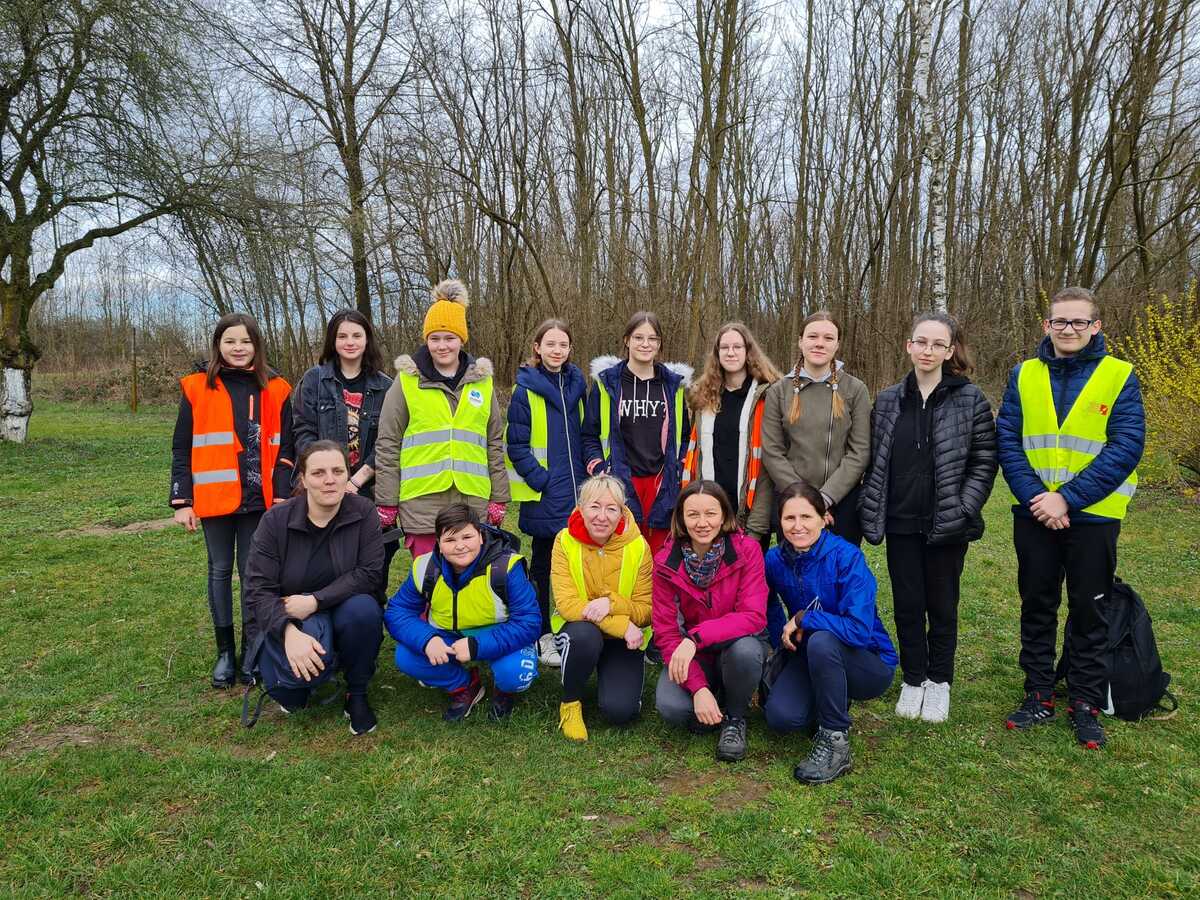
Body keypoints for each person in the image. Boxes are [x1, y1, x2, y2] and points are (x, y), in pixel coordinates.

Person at [997, 286, 1144, 750]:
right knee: (1036, 605)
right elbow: (1008, 440)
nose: (1069, 329)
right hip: (1035, 514)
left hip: (1094, 515)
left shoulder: (1119, 375)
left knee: (1090, 609)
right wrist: (1038, 498)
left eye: (1079, 321)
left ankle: (1084, 700)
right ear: (1047, 325)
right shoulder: (1024, 374)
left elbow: (1126, 445)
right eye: (1060, 321)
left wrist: (1068, 499)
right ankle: (1038, 692)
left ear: (1095, 326)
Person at [858, 312, 997, 723]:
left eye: (938, 344)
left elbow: (984, 460)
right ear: (909, 346)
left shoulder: (970, 399)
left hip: (947, 524)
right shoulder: (888, 399)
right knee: (907, 603)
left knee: (942, 605)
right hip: (900, 520)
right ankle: (913, 678)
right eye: (921, 342)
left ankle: (939, 682)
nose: (928, 350)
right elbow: (874, 459)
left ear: (950, 351)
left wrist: (965, 506)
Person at [170, 313, 293, 688]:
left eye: (245, 341)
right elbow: (181, 447)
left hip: (260, 500)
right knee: (220, 570)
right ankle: (225, 653)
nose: (238, 348)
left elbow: (286, 450)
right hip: (216, 499)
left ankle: (252, 652)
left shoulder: (277, 388)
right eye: (230, 341)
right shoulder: (196, 387)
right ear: (218, 345)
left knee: (252, 575)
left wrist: (283, 494)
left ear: (257, 345)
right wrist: (182, 500)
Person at [242, 441, 384, 735]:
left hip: (341, 607)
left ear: (347, 475)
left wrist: (316, 601)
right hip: (292, 614)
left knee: (364, 610)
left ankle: (356, 692)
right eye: (318, 473)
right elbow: (257, 591)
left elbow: (369, 574)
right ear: (303, 479)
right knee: (291, 697)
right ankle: (305, 678)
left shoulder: (364, 511)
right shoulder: (275, 521)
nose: (330, 480)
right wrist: (288, 632)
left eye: (338, 471)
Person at [763, 481, 897, 784]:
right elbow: (768, 603)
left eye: (806, 517)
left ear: (824, 519)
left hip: (867, 660)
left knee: (823, 641)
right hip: (810, 651)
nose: (798, 526)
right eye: (789, 518)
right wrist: (780, 641)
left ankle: (836, 741)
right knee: (782, 718)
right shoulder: (774, 559)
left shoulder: (847, 557)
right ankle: (830, 695)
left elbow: (859, 630)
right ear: (780, 522)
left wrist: (804, 618)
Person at [374, 279, 510, 560]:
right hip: (422, 504)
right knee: (428, 579)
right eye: (435, 338)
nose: (442, 346)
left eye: (449, 338)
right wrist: (387, 500)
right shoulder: (406, 382)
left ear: (462, 339)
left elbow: (494, 443)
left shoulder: (482, 383)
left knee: (471, 580)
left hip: (471, 502)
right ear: (426, 340)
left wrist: (499, 496)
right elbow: (388, 443)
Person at [385, 503, 540, 722]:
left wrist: (477, 646)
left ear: (481, 536)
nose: (460, 546)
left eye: (467, 537)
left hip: (497, 632)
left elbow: (529, 622)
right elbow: (398, 611)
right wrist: (427, 640)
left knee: (515, 673)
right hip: (447, 633)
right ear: (438, 543)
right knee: (406, 657)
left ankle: (504, 690)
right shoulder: (425, 567)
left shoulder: (507, 566)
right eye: (450, 540)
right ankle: (464, 686)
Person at [652, 481, 768, 762]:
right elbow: (666, 632)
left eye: (711, 513)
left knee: (746, 652)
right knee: (672, 707)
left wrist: (695, 638)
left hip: (734, 647)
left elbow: (753, 616)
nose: (702, 523)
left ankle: (735, 718)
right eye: (692, 514)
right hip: (695, 655)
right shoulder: (665, 562)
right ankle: (710, 695)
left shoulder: (748, 550)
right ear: (681, 518)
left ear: (724, 515)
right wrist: (698, 689)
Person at [292, 309, 397, 597]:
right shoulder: (314, 381)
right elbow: (302, 431)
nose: (350, 342)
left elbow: (389, 441)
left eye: (356, 335)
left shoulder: (386, 387)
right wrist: (326, 474)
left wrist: (356, 480)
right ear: (332, 340)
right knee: (325, 559)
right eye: (342, 336)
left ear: (367, 339)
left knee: (373, 561)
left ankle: (370, 613)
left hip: (369, 488)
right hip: (323, 487)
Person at [505, 319, 587, 668]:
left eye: (563, 344)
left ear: (570, 349)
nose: (557, 350)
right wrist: (542, 479)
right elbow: (516, 444)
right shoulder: (524, 389)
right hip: (545, 494)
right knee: (542, 565)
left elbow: (587, 433)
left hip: (579, 493)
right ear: (537, 348)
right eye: (550, 344)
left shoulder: (579, 385)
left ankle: (572, 628)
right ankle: (541, 635)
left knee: (577, 565)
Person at [551, 474, 654, 741]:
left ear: (622, 512)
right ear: (581, 508)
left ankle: (613, 679)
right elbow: (567, 604)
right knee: (586, 637)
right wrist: (620, 624)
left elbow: (646, 609)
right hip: (581, 629)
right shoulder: (564, 541)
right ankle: (570, 703)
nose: (602, 517)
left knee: (620, 711)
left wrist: (611, 603)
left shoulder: (638, 546)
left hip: (623, 640)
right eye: (594, 507)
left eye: (611, 509)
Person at [582, 311, 692, 559]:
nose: (645, 344)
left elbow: (684, 436)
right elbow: (589, 435)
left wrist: (679, 466)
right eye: (638, 337)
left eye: (652, 338)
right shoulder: (607, 383)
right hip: (620, 479)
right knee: (621, 555)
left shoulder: (672, 386)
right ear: (627, 340)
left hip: (661, 483)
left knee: (659, 557)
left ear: (659, 343)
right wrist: (600, 467)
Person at [760, 310, 871, 546]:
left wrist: (825, 498)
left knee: (839, 567)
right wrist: (805, 502)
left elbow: (859, 452)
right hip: (793, 503)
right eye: (812, 336)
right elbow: (772, 452)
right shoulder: (778, 391)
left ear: (837, 345)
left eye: (828, 338)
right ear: (801, 341)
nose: (820, 343)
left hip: (842, 504)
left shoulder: (855, 389)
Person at [682, 322, 783, 546]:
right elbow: (695, 453)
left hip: (750, 509)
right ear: (717, 353)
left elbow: (770, 461)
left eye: (737, 347)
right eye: (724, 347)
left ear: (748, 351)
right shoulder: (703, 396)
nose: (731, 352)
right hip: (709, 511)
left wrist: (756, 525)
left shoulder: (767, 394)